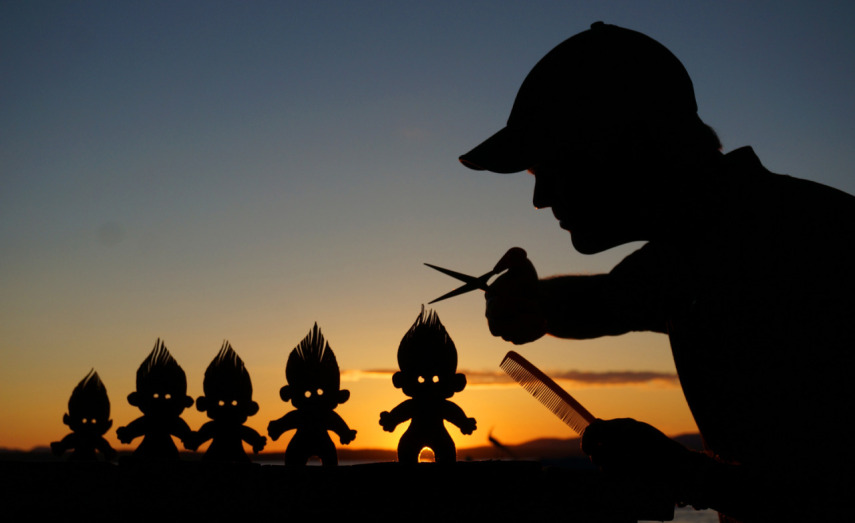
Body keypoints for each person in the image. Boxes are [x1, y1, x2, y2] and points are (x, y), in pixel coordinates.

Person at [459, 22, 855, 522]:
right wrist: (535, 304)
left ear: (625, 144)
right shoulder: (699, 249)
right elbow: (607, 302)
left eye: (546, 167)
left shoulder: (813, 245)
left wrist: (690, 475)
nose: (539, 199)